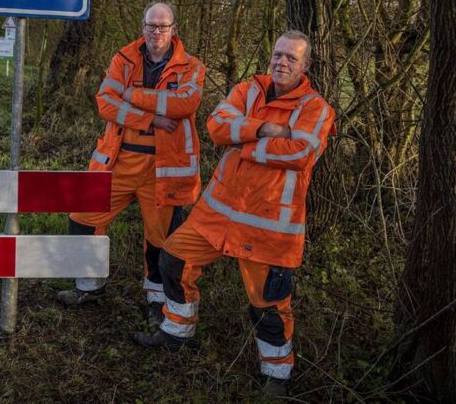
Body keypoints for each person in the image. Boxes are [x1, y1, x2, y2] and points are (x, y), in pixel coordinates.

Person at [132, 30, 336, 397]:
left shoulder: (316, 108)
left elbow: (301, 152)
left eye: (291, 57)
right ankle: (178, 330)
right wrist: (265, 129)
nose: (282, 62)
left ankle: (276, 376)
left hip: (267, 226)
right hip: (218, 214)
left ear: (306, 65)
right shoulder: (248, 90)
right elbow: (216, 126)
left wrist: (245, 147)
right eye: (277, 54)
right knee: (173, 258)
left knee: (268, 304)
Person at [57, 2, 206, 326]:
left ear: (174, 29)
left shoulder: (191, 66)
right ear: (142, 27)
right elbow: (105, 102)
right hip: (118, 162)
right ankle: (88, 286)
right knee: (82, 217)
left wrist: (133, 95)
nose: (156, 32)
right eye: (151, 25)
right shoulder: (123, 59)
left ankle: (156, 301)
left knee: (160, 238)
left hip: (162, 169)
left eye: (163, 26)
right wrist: (151, 118)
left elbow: (185, 103)